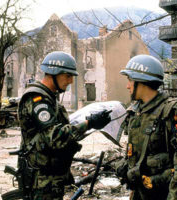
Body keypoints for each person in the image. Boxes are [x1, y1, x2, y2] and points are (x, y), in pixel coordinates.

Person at [17, 51, 111, 200]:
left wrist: (88, 124)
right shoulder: (37, 99)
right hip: (41, 181)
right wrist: (89, 123)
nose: (70, 81)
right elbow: (54, 136)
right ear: (54, 73)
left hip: (50, 178)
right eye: (68, 76)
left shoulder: (50, 98)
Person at [116, 55, 177, 200]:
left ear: (142, 82)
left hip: (163, 193)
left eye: (130, 80)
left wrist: (174, 196)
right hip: (141, 192)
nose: (127, 86)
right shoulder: (137, 111)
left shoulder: (173, 112)